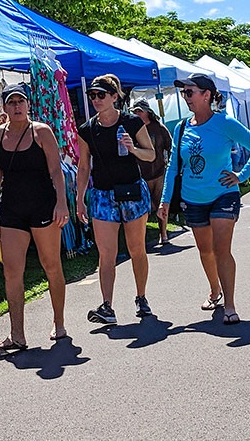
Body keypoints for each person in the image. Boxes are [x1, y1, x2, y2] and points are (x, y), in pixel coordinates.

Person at [158, 73, 250, 322]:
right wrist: (165, 200)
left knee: (220, 249)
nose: (186, 98)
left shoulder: (225, 123)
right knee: (205, 251)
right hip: (193, 197)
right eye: (184, 93)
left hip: (223, 195)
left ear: (206, 95)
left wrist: (241, 176)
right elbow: (173, 166)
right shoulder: (181, 127)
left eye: (190, 92)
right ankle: (214, 290)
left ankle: (230, 305)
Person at [0, 83, 70, 352]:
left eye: (21, 101)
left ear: (28, 105)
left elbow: (57, 171)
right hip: (12, 209)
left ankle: (59, 322)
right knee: (12, 270)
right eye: (12, 102)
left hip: (43, 206)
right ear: (5, 107)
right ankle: (17, 334)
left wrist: (61, 204)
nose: (17, 107)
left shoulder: (41, 132)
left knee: (50, 264)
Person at [76, 74, 156, 324]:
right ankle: (107, 306)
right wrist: (79, 199)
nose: (96, 99)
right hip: (102, 195)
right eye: (92, 95)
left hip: (131, 191)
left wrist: (132, 148)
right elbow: (83, 166)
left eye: (101, 95)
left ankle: (141, 297)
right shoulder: (87, 129)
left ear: (114, 97)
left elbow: (151, 155)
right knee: (106, 254)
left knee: (136, 249)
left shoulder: (131, 122)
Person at [131, 99, 173, 246]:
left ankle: (164, 234)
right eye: (134, 111)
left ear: (147, 112)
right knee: (143, 210)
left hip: (159, 173)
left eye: (139, 111)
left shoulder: (159, 128)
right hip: (141, 176)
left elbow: (170, 146)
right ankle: (142, 238)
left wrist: (171, 166)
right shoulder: (133, 130)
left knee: (161, 205)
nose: (137, 114)